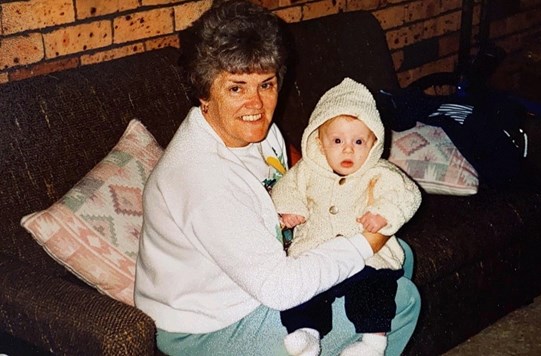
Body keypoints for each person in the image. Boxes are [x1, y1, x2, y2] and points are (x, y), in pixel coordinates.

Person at [133, 1, 421, 355]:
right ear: (204, 92)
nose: (256, 104)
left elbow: (294, 180)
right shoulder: (202, 179)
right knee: (402, 299)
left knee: (399, 257)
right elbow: (280, 288)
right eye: (236, 88)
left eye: (266, 84)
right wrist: (366, 241)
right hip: (208, 324)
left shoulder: (259, 132)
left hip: (254, 276)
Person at [271, 78, 422, 356]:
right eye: (337, 140)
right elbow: (287, 188)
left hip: (365, 256)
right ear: (319, 142)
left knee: (375, 288)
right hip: (316, 252)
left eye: (359, 141)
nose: (348, 149)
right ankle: (306, 333)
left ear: (374, 143)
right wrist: (290, 209)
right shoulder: (307, 171)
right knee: (303, 291)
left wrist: (384, 214)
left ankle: (373, 343)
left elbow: (406, 194)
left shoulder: (380, 172)